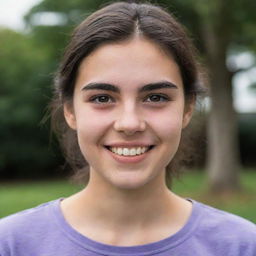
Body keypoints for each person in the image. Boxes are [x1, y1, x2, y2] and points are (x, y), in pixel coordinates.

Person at [0, 2, 255, 256]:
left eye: (155, 98)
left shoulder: (241, 246)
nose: (130, 123)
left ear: (188, 108)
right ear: (70, 110)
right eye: (102, 98)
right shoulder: (11, 245)